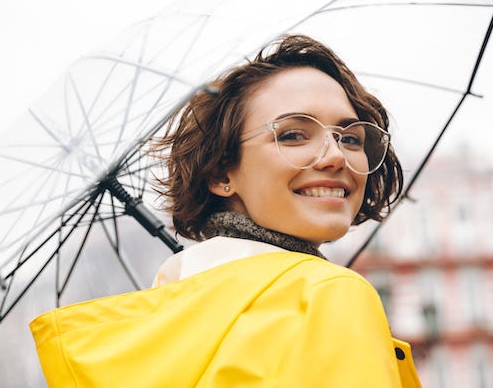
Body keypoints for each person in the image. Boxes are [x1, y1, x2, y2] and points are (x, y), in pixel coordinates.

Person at [30, 35, 421, 388]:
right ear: (220, 172)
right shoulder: (328, 294)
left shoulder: (153, 337)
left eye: (350, 137)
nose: (336, 156)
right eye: (292, 134)